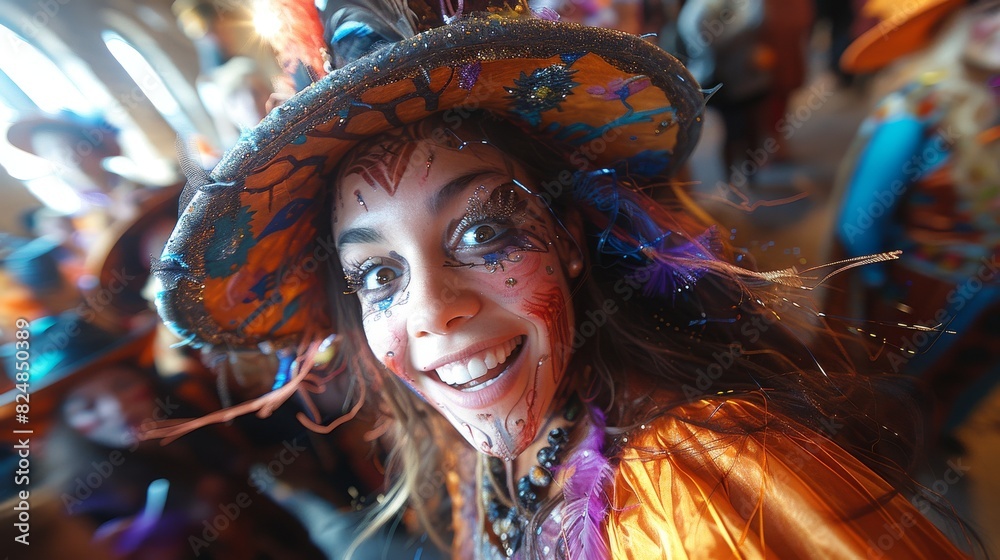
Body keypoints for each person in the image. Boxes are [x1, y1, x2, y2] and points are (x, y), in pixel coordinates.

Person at [152, 1, 975, 558]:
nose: (433, 312)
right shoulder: (480, 455)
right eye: (376, 273)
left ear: (571, 239)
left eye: (482, 231)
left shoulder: (702, 495)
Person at [831, 0, 1000, 438]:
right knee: (887, 400)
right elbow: (858, 226)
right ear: (954, 23)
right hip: (921, 297)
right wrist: (883, 296)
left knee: (947, 395)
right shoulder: (916, 109)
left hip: (983, 307)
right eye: (991, 8)